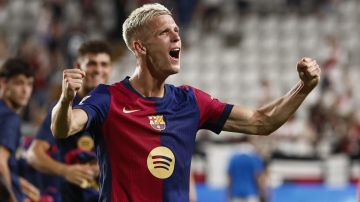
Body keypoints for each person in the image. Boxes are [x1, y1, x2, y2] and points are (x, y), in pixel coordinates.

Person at [50, 3, 321, 202]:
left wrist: (303, 88)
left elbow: (263, 122)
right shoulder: (107, 98)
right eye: (164, 33)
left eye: (176, 30)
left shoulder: (190, 101)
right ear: (140, 47)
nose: (176, 37)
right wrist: (65, 100)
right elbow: (64, 128)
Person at [26, 40, 113, 202]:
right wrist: (66, 171)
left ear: (110, 68)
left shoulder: (116, 105)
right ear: (78, 66)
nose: (98, 70)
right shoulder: (63, 108)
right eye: (92, 63)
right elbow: (33, 154)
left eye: (104, 64)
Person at [0, 58, 40, 202]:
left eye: (29, 84)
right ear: (3, 83)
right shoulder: (10, 118)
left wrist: (18, 183)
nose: (25, 90)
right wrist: (13, 197)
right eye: (19, 83)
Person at [227, 136, 267, 202]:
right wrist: (264, 192)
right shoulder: (254, 157)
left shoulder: (233, 158)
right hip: (251, 194)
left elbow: (230, 177)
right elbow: (258, 176)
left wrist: (228, 194)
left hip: (236, 193)